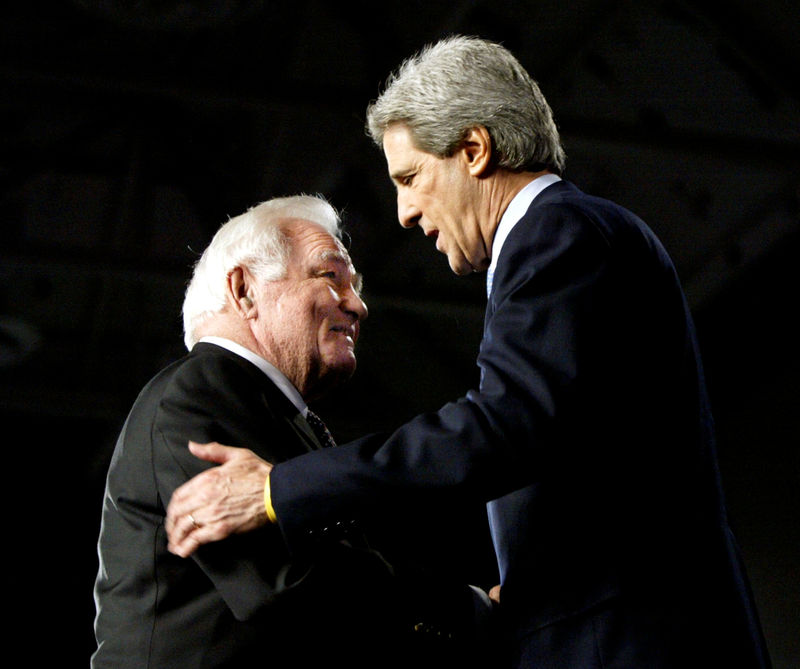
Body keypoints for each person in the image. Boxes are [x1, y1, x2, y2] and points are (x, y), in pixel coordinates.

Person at [165, 36, 772, 668]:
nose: (402, 213)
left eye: (410, 177)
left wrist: (277, 490)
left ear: (474, 151)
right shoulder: (569, 238)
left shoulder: (556, 234)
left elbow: (501, 427)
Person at [92, 194, 492, 668]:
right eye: (330, 277)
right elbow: (287, 581)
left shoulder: (267, 409)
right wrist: (468, 610)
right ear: (243, 290)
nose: (358, 305)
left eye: (356, 286)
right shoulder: (198, 393)